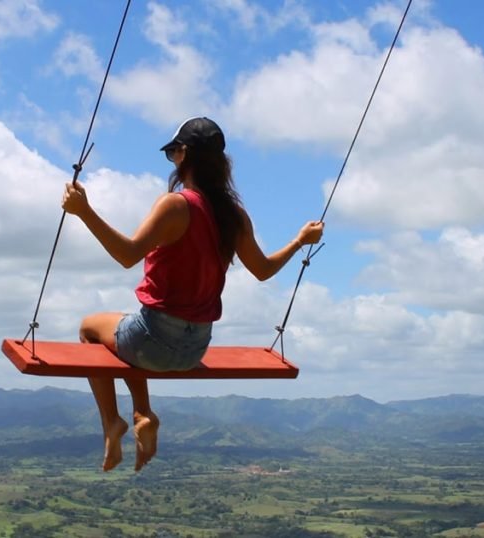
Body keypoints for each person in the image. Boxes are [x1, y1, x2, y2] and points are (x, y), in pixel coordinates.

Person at [61, 117, 324, 472]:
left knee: (91, 328)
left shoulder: (175, 205)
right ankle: (141, 414)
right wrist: (298, 241)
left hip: (151, 340)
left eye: (171, 153)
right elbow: (262, 271)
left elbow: (127, 255)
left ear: (184, 154)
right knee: (131, 326)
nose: (171, 160)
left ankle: (113, 422)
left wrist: (84, 212)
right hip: (195, 348)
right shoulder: (234, 215)